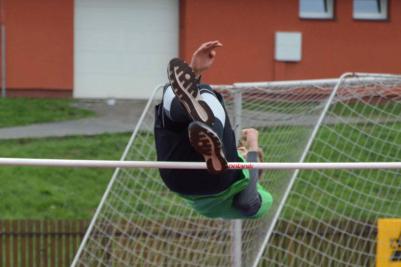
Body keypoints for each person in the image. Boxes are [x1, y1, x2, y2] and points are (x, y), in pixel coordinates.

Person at [154, 41, 272, 219]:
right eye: (241, 147)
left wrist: (253, 145)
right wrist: (195, 71)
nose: (242, 148)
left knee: (208, 93)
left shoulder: (261, 192)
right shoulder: (229, 156)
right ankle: (190, 99)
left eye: (243, 149)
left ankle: (208, 126)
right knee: (169, 97)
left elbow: (247, 203)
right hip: (177, 177)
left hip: (217, 179)